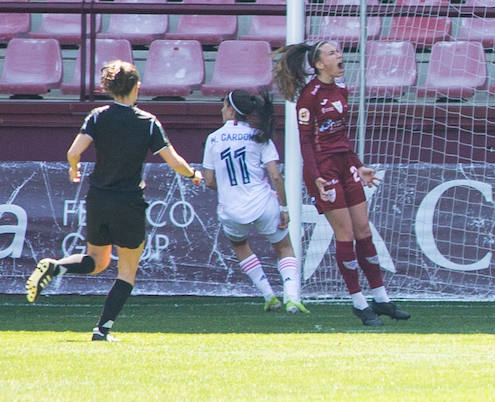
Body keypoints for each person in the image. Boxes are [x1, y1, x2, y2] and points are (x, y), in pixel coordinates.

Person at [24, 60, 204, 341]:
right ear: (137, 87)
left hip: (98, 198)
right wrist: (193, 174)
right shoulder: (147, 122)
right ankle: (102, 330)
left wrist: (74, 169)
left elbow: (74, 151)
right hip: (129, 202)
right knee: (127, 270)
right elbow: (174, 161)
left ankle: (57, 266)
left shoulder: (98, 116)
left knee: (96, 261)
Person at [271, 41, 409, 326]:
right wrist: (316, 174)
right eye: (332, 53)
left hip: (346, 165)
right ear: (320, 64)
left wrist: (359, 165)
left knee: (363, 230)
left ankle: (381, 298)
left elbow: (341, 137)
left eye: (338, 51)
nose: (339, 55)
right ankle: (359, 302)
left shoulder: (342, 89)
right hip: (323, 169)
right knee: (344, 234)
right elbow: (305, 141)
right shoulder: (309, 96)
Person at [203, 89, 307, 314]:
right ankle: (292, 299)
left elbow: (209, 181)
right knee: (284, 247)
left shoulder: (213, 138)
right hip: (263, 203)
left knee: (240, 245)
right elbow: (276, 175)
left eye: (223, 105)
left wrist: (232, 187)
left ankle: (269, 296)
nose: (221, 110)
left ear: (231, 110)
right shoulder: (259, 135)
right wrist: (284, 207)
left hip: (231, 208)